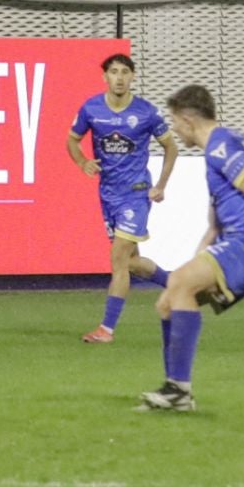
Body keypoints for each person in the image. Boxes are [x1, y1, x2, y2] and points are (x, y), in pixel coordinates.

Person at [142, 84, 244, 411]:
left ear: (188, 119)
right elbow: (217, 220)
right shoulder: (218, 148)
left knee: (179, 284)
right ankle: (175, 389)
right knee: (168, 302)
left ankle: (178, 391)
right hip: (236, 242)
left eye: (175, 121)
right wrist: (201, 252)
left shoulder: (221, 146)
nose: (174, 129)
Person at [66, 53, 180, 344]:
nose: (119, 77)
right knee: (131, 263)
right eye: (113, 72)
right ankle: (178, 286)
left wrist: (161, 185)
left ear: (133, 77)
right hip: (108, 193)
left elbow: (171, 148)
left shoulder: (145, 112)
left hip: (136, 192)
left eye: (124, 72)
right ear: (105, 77)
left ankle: (106, 329)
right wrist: (82, 162)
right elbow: (72, 139)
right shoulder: (91, 109)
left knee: (117, 259)